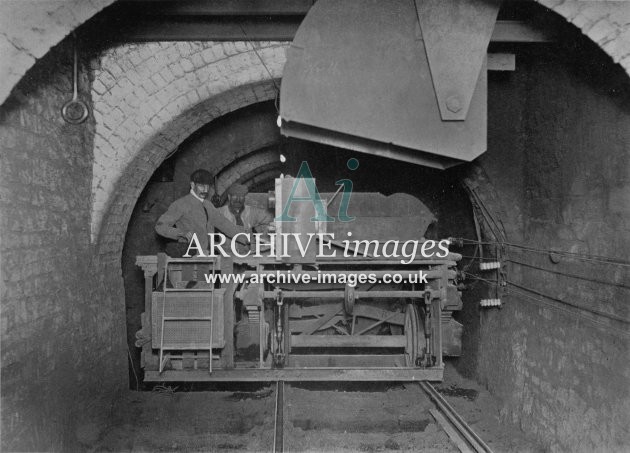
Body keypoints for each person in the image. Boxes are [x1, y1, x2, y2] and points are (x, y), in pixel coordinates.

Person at [155, 169, 248, 257]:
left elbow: (225, 225)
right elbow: (160, 226)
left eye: (207, 186)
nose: (205, 190)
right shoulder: (180, 204)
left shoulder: (208, 205)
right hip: (188, 258)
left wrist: (247, 240)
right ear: (192, 185)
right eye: (201, 186)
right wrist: (181, 233)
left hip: (207, 256)